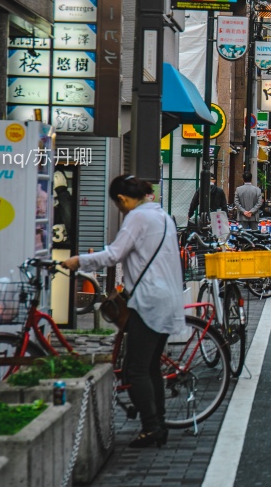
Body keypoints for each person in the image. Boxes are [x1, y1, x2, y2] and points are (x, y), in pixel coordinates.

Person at [62, 175, 185, 449]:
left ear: (122, 199)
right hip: (167, 297)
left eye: (118, 204)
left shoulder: (138, 218)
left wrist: (79, 260)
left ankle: (151, 427)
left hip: (149, 301)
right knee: (151, 366)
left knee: (136, 369)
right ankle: (159, 423)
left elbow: (113, 255)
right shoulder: (161, 215)